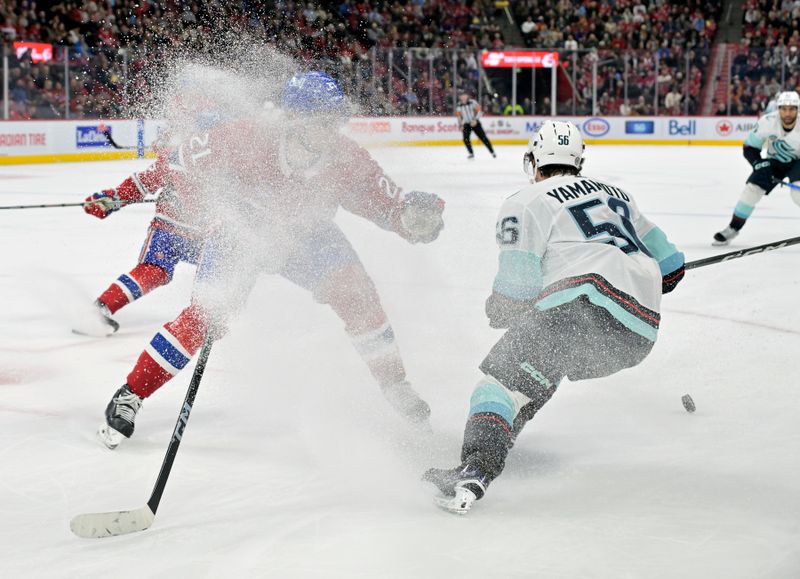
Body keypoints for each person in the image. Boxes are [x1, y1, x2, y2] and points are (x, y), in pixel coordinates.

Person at [96, 70, 446, 449]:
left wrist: (415, 220)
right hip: (240, 234)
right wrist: (120, 194)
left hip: (308, 237)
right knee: (206, 315)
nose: (331, 132)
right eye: (321, 123)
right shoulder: (243, 137)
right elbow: (174, 164)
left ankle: (396, 387)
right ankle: (131, 393)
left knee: (357, 294)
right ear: (294, 120)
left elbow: (391, 207)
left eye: (335, 122)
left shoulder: (346, 158)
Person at [423, 120, 685, 514]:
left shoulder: (526, 200)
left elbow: (517, 289)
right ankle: (497, 439)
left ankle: (473, 470)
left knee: (498, 382)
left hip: (582, 305)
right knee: (539, 368)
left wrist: (499, 308)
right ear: (579, 161)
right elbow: (672, 267)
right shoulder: (619, 195)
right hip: (636, 333)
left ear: (534, 161)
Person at [75, 137, 203, 337]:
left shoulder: (190, 146)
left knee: (156, 268)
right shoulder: (203, 145)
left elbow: (145, 181)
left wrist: (113, 199)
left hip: (191, 228)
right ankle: (98, 310)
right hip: (187, 228)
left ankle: (99, 309)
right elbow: (145, 180)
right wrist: (113, 199)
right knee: (157, 269)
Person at [713, 90, 800, 246]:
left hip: (799, 163)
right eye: (784, 108)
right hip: (775, 162)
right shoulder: (767, 121)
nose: (787, 113)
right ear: (778, 108)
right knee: (751, 190)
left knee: (798, 194)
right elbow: (750, 147)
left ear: (797, 109)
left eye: (792, 109)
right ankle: (733, 228)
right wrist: (758, 163)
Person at [456, 92, 496, 160]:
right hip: (466, 124)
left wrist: (475, 120)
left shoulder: (473, 102)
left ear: (467, 96)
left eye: (464, 96)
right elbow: (459, 116)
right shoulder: (459, 105)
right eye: (462, 96)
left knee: (483, 138)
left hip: (475, 123)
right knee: (465, 139)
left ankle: (492, 151)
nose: (463, 97)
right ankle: (471, 153)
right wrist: (460, 125)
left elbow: (479, 111)